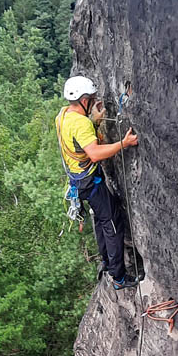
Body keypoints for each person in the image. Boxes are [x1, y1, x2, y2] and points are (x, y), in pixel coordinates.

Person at [56, 75, 140, 290]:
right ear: (84, 101)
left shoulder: (63, 116)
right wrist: (124, 143)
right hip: (90, 183)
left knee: (103, 221)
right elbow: (94, 154)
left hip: (79, 182)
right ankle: (119, 278)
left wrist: (94, 122)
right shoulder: (81, 123)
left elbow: (77, 139)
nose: (94, 102)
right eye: (92, 99)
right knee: (113, 224)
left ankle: (106, 261)